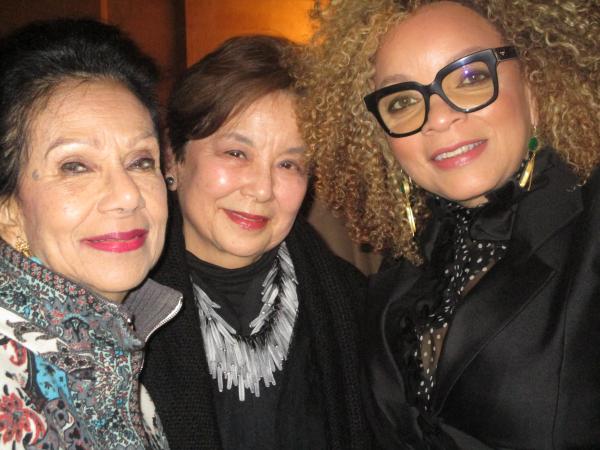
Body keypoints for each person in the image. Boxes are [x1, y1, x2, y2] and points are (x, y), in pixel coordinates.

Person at [298, 0, 600, 448]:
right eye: (402, 101)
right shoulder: (409, 258)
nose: (439, 118)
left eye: (472, 76)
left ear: (535, 84)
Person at [141, 35, 372, 449]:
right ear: (173, 156)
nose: (263, 189)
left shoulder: (355, 303)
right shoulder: (120, 308)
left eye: (289, 164)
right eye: (235, 153)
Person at [0, 19, 181, 449]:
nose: (126, 196)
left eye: (141, 161)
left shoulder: (118, 357)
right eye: (75, 166)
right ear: (9, 212)